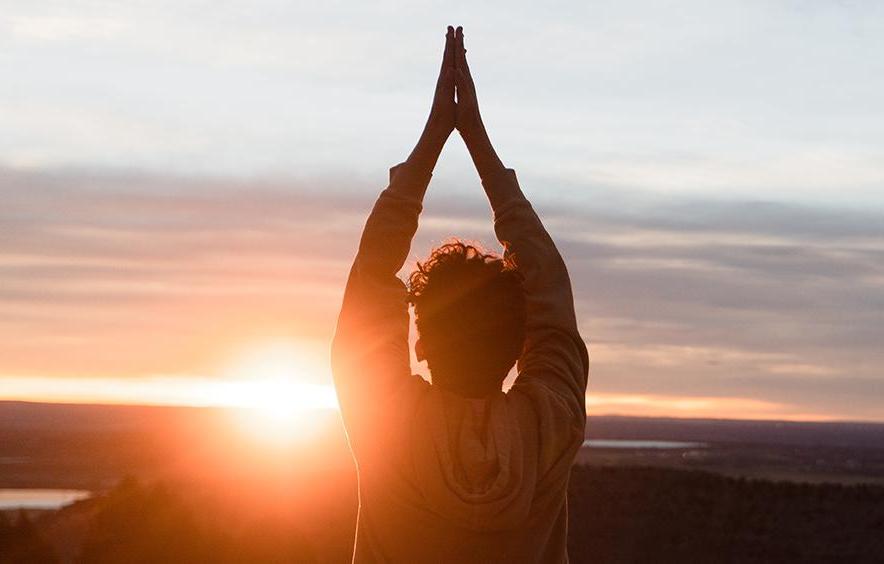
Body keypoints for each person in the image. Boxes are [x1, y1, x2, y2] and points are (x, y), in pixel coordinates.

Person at [331, 25, 589, 563]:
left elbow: (370, 275)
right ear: (521, 347)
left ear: (420, 344)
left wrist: (432, 140)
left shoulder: (388, 422)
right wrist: (477, 142)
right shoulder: (548, 427)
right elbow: (552, 291)